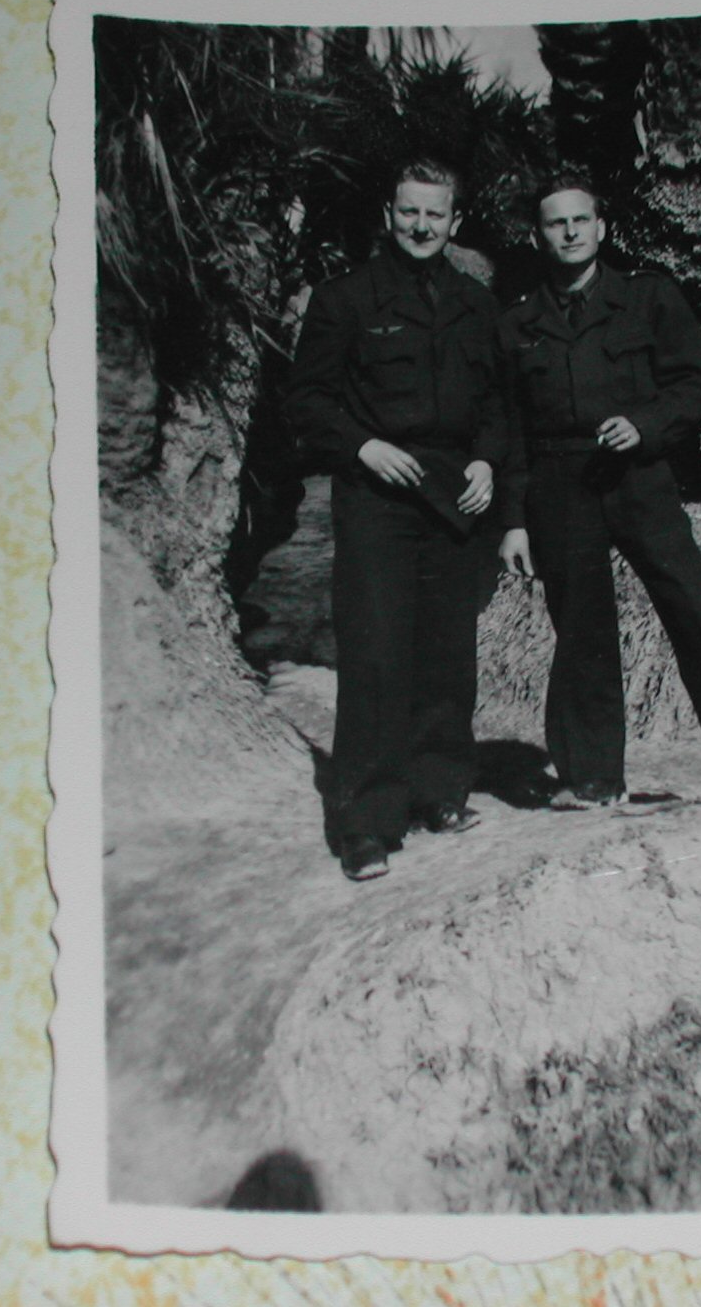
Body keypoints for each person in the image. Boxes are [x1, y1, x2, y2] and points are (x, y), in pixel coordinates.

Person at [498, 168, 701, 808]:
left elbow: (690, 383)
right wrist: (513, 519)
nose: (570, 232)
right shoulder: (517, 323)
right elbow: (510, 431)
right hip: (559, 485)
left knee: (691, 610)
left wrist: (646, 425)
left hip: (639, 477)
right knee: (581, 630)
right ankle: (591, 779)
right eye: (555, 223)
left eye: (581, 219)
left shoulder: (648, 297)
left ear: (601, 227)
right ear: (537, 236)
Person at [285, 160, 506, 880]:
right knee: (377, 655)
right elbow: (307, 400)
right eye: (409, 211)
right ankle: (367, 823)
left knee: (446, 653)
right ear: (389, 214)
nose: (421, 225)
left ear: (455, 222)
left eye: (435, 214)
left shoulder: (476, 304)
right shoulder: (344, 298)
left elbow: (498, 404)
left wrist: (486, 461)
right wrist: (363, 447)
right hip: (376, 496)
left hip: (455, 497)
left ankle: (440, 792)